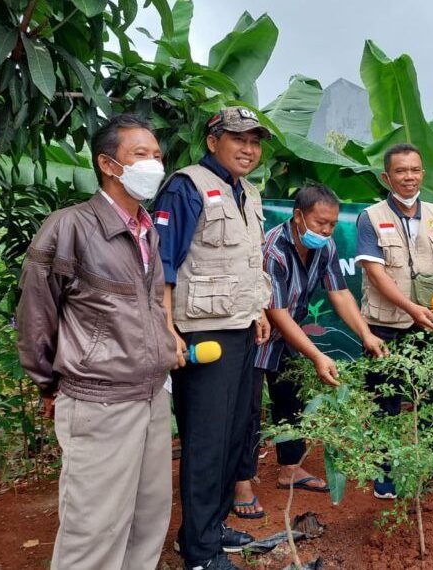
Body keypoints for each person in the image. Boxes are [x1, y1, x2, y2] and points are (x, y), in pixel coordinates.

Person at [16, 113, 179, 570]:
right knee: (94, 530)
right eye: (140, 155)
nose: (154, 164)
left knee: (147, 521)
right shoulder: (69, 227)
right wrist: (49, 383)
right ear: (109, 165)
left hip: (151, 395)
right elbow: (35, 316)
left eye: (157, 155)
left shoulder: (147, 229)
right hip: (100, 400)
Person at [153, 107, 273, 570]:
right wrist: (166, 328)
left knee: (234, 433)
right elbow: (163, 264)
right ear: (212, 140)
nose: (248, 149)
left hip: (242, 330)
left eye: (255, 142)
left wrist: (259, 311)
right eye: (238, 139)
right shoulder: (187, 187)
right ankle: (200, 552)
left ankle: (210, 527)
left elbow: (247, 261)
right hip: (203, 333)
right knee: (205, 440)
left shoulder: (249, 193)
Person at [233, 184, 388, 517]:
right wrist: (317, 355)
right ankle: (241, 483)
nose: (327, 230)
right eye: (321, 223)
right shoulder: (274, 248)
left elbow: (339, 292)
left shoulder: (325, 246)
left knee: (290, 397)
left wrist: (366, 334)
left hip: (289, 335)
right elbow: (276, 311)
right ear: (298, 216)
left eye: (332, 224)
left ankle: (290, 468)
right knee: (246, 411)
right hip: (256, 334)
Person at [355, 142, 433, 500]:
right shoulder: (371, 216)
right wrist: (411, 308)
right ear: (386, 177)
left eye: (415, 170)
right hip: (386, 322)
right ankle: (384, 469)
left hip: (430, 321)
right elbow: (375, 273)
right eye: (400, 171)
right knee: (384, 395)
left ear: (423, 172)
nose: (409, 177)